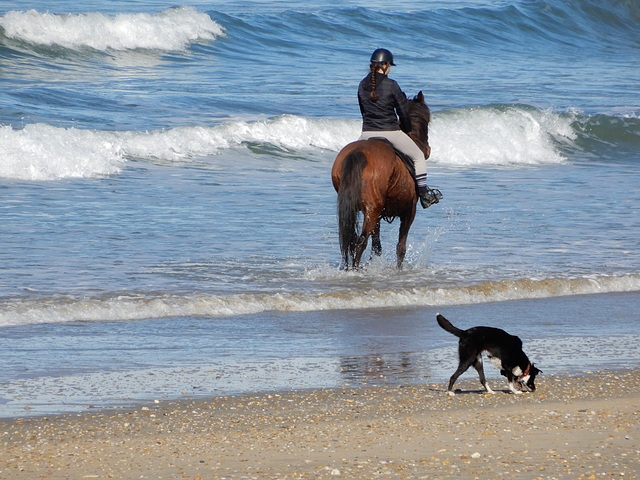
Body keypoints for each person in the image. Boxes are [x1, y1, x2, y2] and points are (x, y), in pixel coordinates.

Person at [358, 48, 442, 208]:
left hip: (366, 134)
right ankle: (425, 195)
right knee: (417, 156)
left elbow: (363, 111)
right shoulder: (392, 85)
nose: (389, 69)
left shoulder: (362, 85)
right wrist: (407, 127)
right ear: (383, 65)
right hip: (390, 132)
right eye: (389, 65)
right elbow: (403, 112)